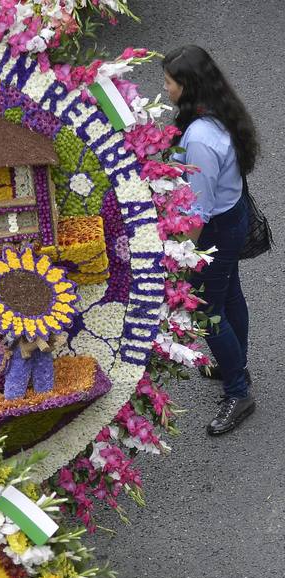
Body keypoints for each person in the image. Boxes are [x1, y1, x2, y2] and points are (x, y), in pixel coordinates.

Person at [163, 45, 259, 436]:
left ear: (188, 85)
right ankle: (235, 366)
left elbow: (196, 214)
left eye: (169, 82)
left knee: (206, 313)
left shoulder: (200, 137)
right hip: (232, 216)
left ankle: (239, 392)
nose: (165, 89)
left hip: (214, 230)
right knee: (229, 295)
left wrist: (183, 260)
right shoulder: (217, 111)